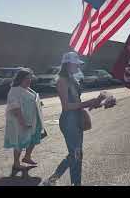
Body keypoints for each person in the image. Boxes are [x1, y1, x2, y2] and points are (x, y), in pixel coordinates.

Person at [43, 52, 109, 186]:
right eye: (76, 64)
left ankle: (53, 180)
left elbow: (78, 102)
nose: (79, 66)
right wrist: (88, 102)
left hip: (76, 118)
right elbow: (66, 106)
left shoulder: (72, 79)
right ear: (68, 64)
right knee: (76, 154)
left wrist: (100, 103)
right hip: (68, 121)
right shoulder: (62, 81)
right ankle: (70, 182)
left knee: (76, 154)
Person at [4, 68, 46, 176]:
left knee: (33, 138)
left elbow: (32, 100)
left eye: (30, 78)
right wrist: (22, 123)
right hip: (20, 122)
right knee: (19, 142)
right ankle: (16, 163)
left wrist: (38, 103)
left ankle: (27, 157)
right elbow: (15, 108)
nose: (29, 81)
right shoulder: (15, 90)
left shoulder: (28, 89)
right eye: (26, 79)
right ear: (20, 79)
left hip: (33, 120)